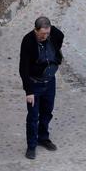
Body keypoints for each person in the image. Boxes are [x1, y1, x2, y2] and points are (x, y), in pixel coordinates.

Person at [19, 16, 64, 160]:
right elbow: (23, 68)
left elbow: (60, 36)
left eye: (47, 33)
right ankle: (31, 146)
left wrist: (49, 27)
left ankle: (43, 138)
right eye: (42, 34)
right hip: (34, 84)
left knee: (47, 112)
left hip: (50, 82)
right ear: (35, 30)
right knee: (33, 117)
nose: (45, 36)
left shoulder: (53, 35)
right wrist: (29, 91)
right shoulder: (28, 41)